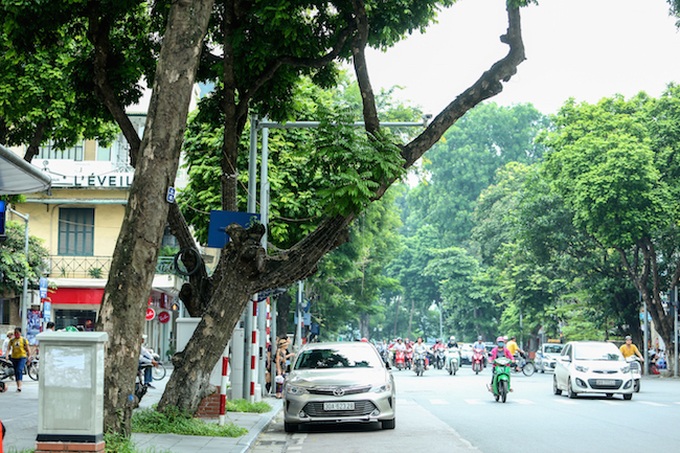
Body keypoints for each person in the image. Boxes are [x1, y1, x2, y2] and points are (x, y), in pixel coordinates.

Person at [8, 328, 30, 392]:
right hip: (14, 357)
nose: (16, 334)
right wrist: (7, 355)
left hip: (22, 357)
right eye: (15, 333)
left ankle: (20, 386)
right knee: (16, 371)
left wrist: (29, 357)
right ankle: (18, 386)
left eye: (17, 333)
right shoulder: (12, 340)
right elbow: (8, 349)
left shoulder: (23, 340)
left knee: (19, 370)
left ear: (20, 333)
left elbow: (28, 349)